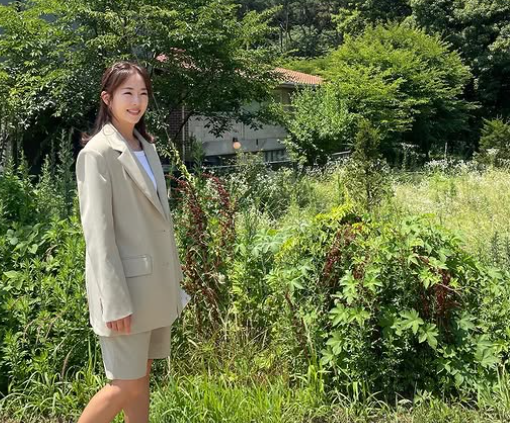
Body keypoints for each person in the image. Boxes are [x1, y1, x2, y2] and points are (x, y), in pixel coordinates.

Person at [75, 61, 190, 423]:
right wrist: (114, 301)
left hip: (155, 288)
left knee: (140, 381)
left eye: (143, 93)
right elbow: (98, 236)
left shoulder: (146, 147)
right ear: (107, 98)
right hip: (125, 294)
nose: (137, 101)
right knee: (123, 385)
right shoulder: (97, 154)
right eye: (127, 93)